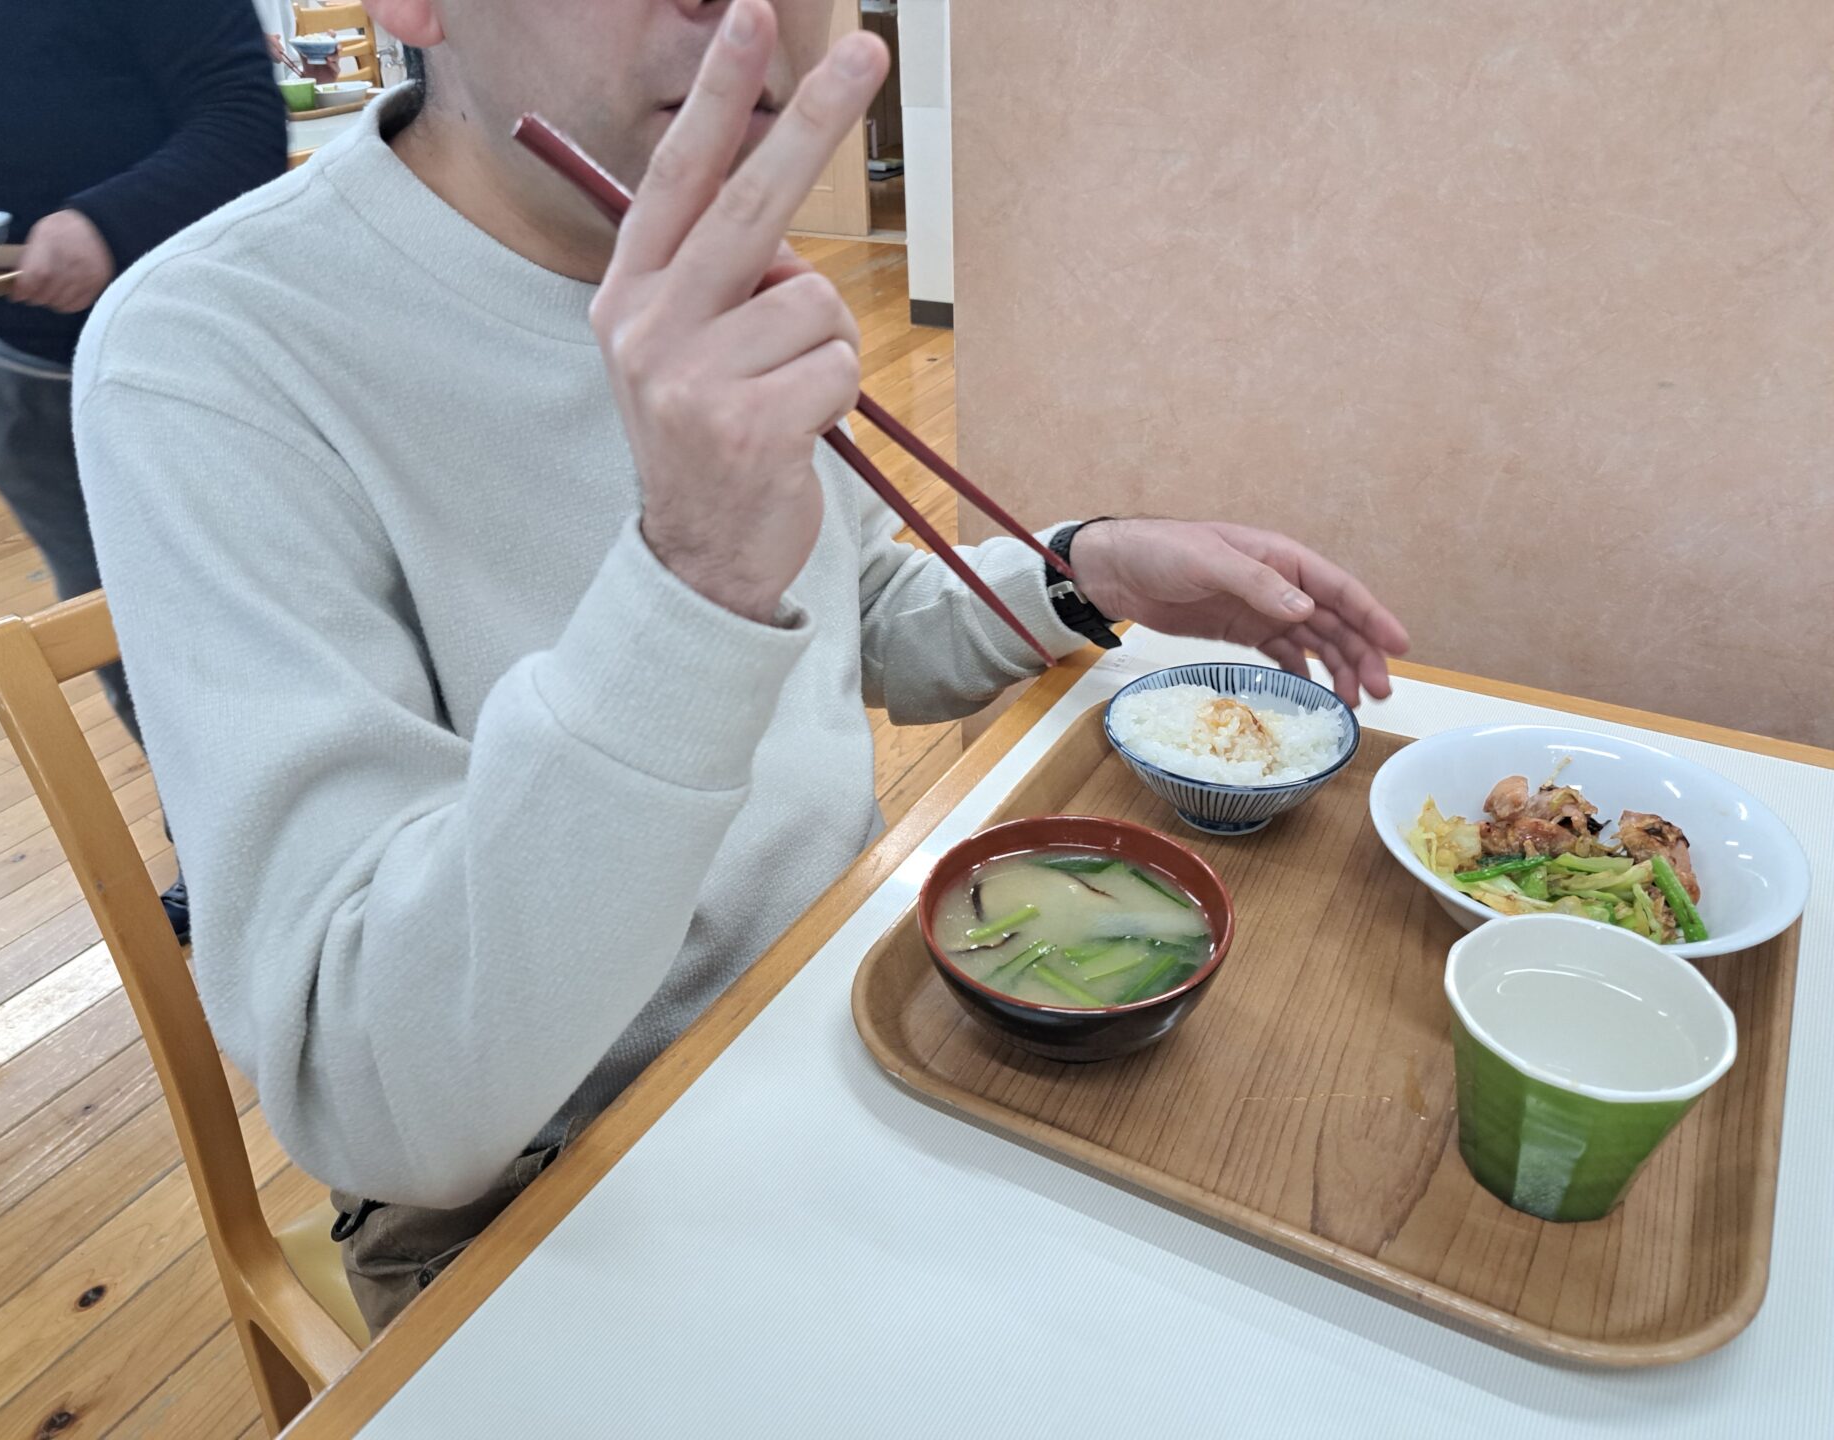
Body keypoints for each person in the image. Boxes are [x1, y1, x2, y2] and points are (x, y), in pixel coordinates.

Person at [71, 0, 1410, 1332]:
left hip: (857, 1000)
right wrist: (690, 571)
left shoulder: (731, 267)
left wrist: (1086, 571)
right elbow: (383, 1100)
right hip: (533, 1184)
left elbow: (859, 614)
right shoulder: (211, 350)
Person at [0, 0, 283, 940]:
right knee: (125, 647)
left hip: (221, 354)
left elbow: (244, 119)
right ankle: (216, 842)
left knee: (280, 620)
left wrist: (104, 224)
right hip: (35, 383)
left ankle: (331, 845)